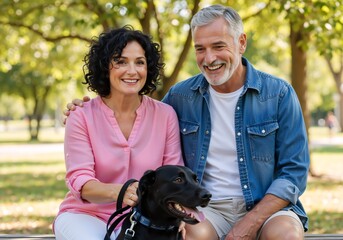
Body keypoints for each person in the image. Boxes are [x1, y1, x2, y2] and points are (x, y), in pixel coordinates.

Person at [64, 5, 310, 240]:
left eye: (218, 46)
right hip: (208, 208)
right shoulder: (181, 97)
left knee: (284, 234)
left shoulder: (277, 94)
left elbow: (294, 172)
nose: (209, 58)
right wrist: (82, 109)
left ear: (241, 43)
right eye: (200, 48)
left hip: (266, 205)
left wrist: (252, 220)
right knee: (188, 234)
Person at [54, 25, 184, 240]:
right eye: (121, 61)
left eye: (140, 62)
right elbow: (81, 181)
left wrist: (176, 212)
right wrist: (121, 192)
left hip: (145, 219)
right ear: (105, 67)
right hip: (85, 215)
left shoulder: (166, 115)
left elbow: (174, 173)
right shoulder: (81, 115)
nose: (132, 71)